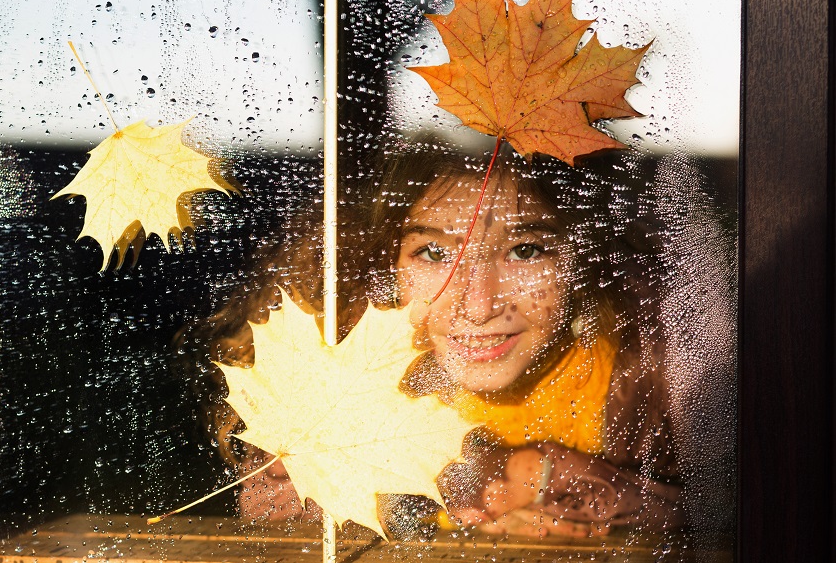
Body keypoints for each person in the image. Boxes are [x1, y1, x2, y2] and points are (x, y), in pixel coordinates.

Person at [184, 136, 690, 539]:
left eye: (526, 250)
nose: (477, 305)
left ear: (583, 259)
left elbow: (733, 525)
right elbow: (270, 532)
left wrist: (601, 491)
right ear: (383, 265)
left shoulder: (653, 374)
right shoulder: (341, 377)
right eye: (432, 254)